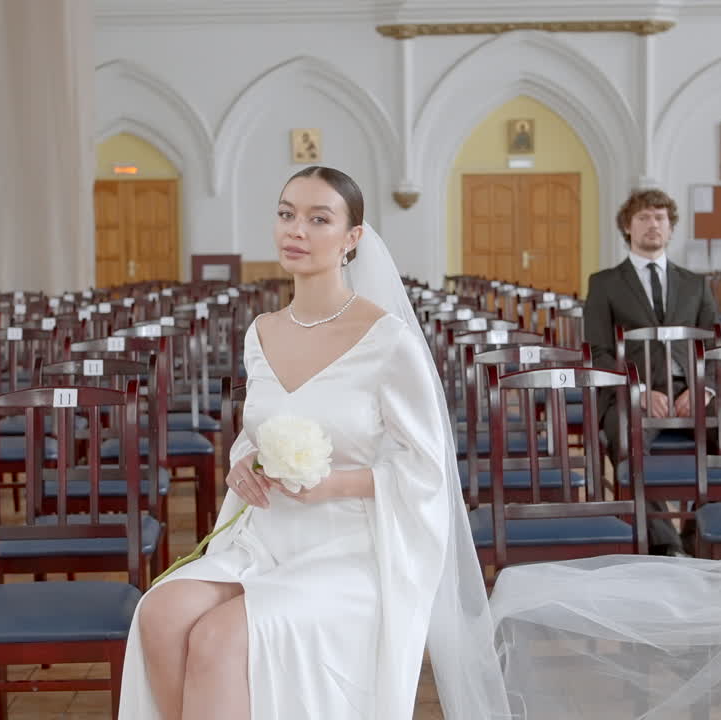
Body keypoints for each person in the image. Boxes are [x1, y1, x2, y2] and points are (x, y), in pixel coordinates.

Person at [119, 167, 510, 719]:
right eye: (286, 214)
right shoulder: (261, 332)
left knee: (220, 639)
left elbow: (427, 471)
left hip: (349, 549)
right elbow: (255, 432)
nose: (295, 230)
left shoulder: (388, 340)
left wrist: (331, 486)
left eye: (318, 219)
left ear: (352, 238)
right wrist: (243, 463)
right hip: (266, 538)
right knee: (159, 613)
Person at [583, 188, 717, 556]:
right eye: (643, 217)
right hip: (632, 391)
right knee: (627, 438)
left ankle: (705, 532)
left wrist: (703, 389)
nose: (652, 224)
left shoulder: (696, 284)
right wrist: (638, 390)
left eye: (660, 218)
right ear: (627, 227)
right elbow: (597, 351)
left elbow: (715, 347)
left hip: (690, 389)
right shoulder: (604, 283)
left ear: (671, 227)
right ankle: (666, 544)